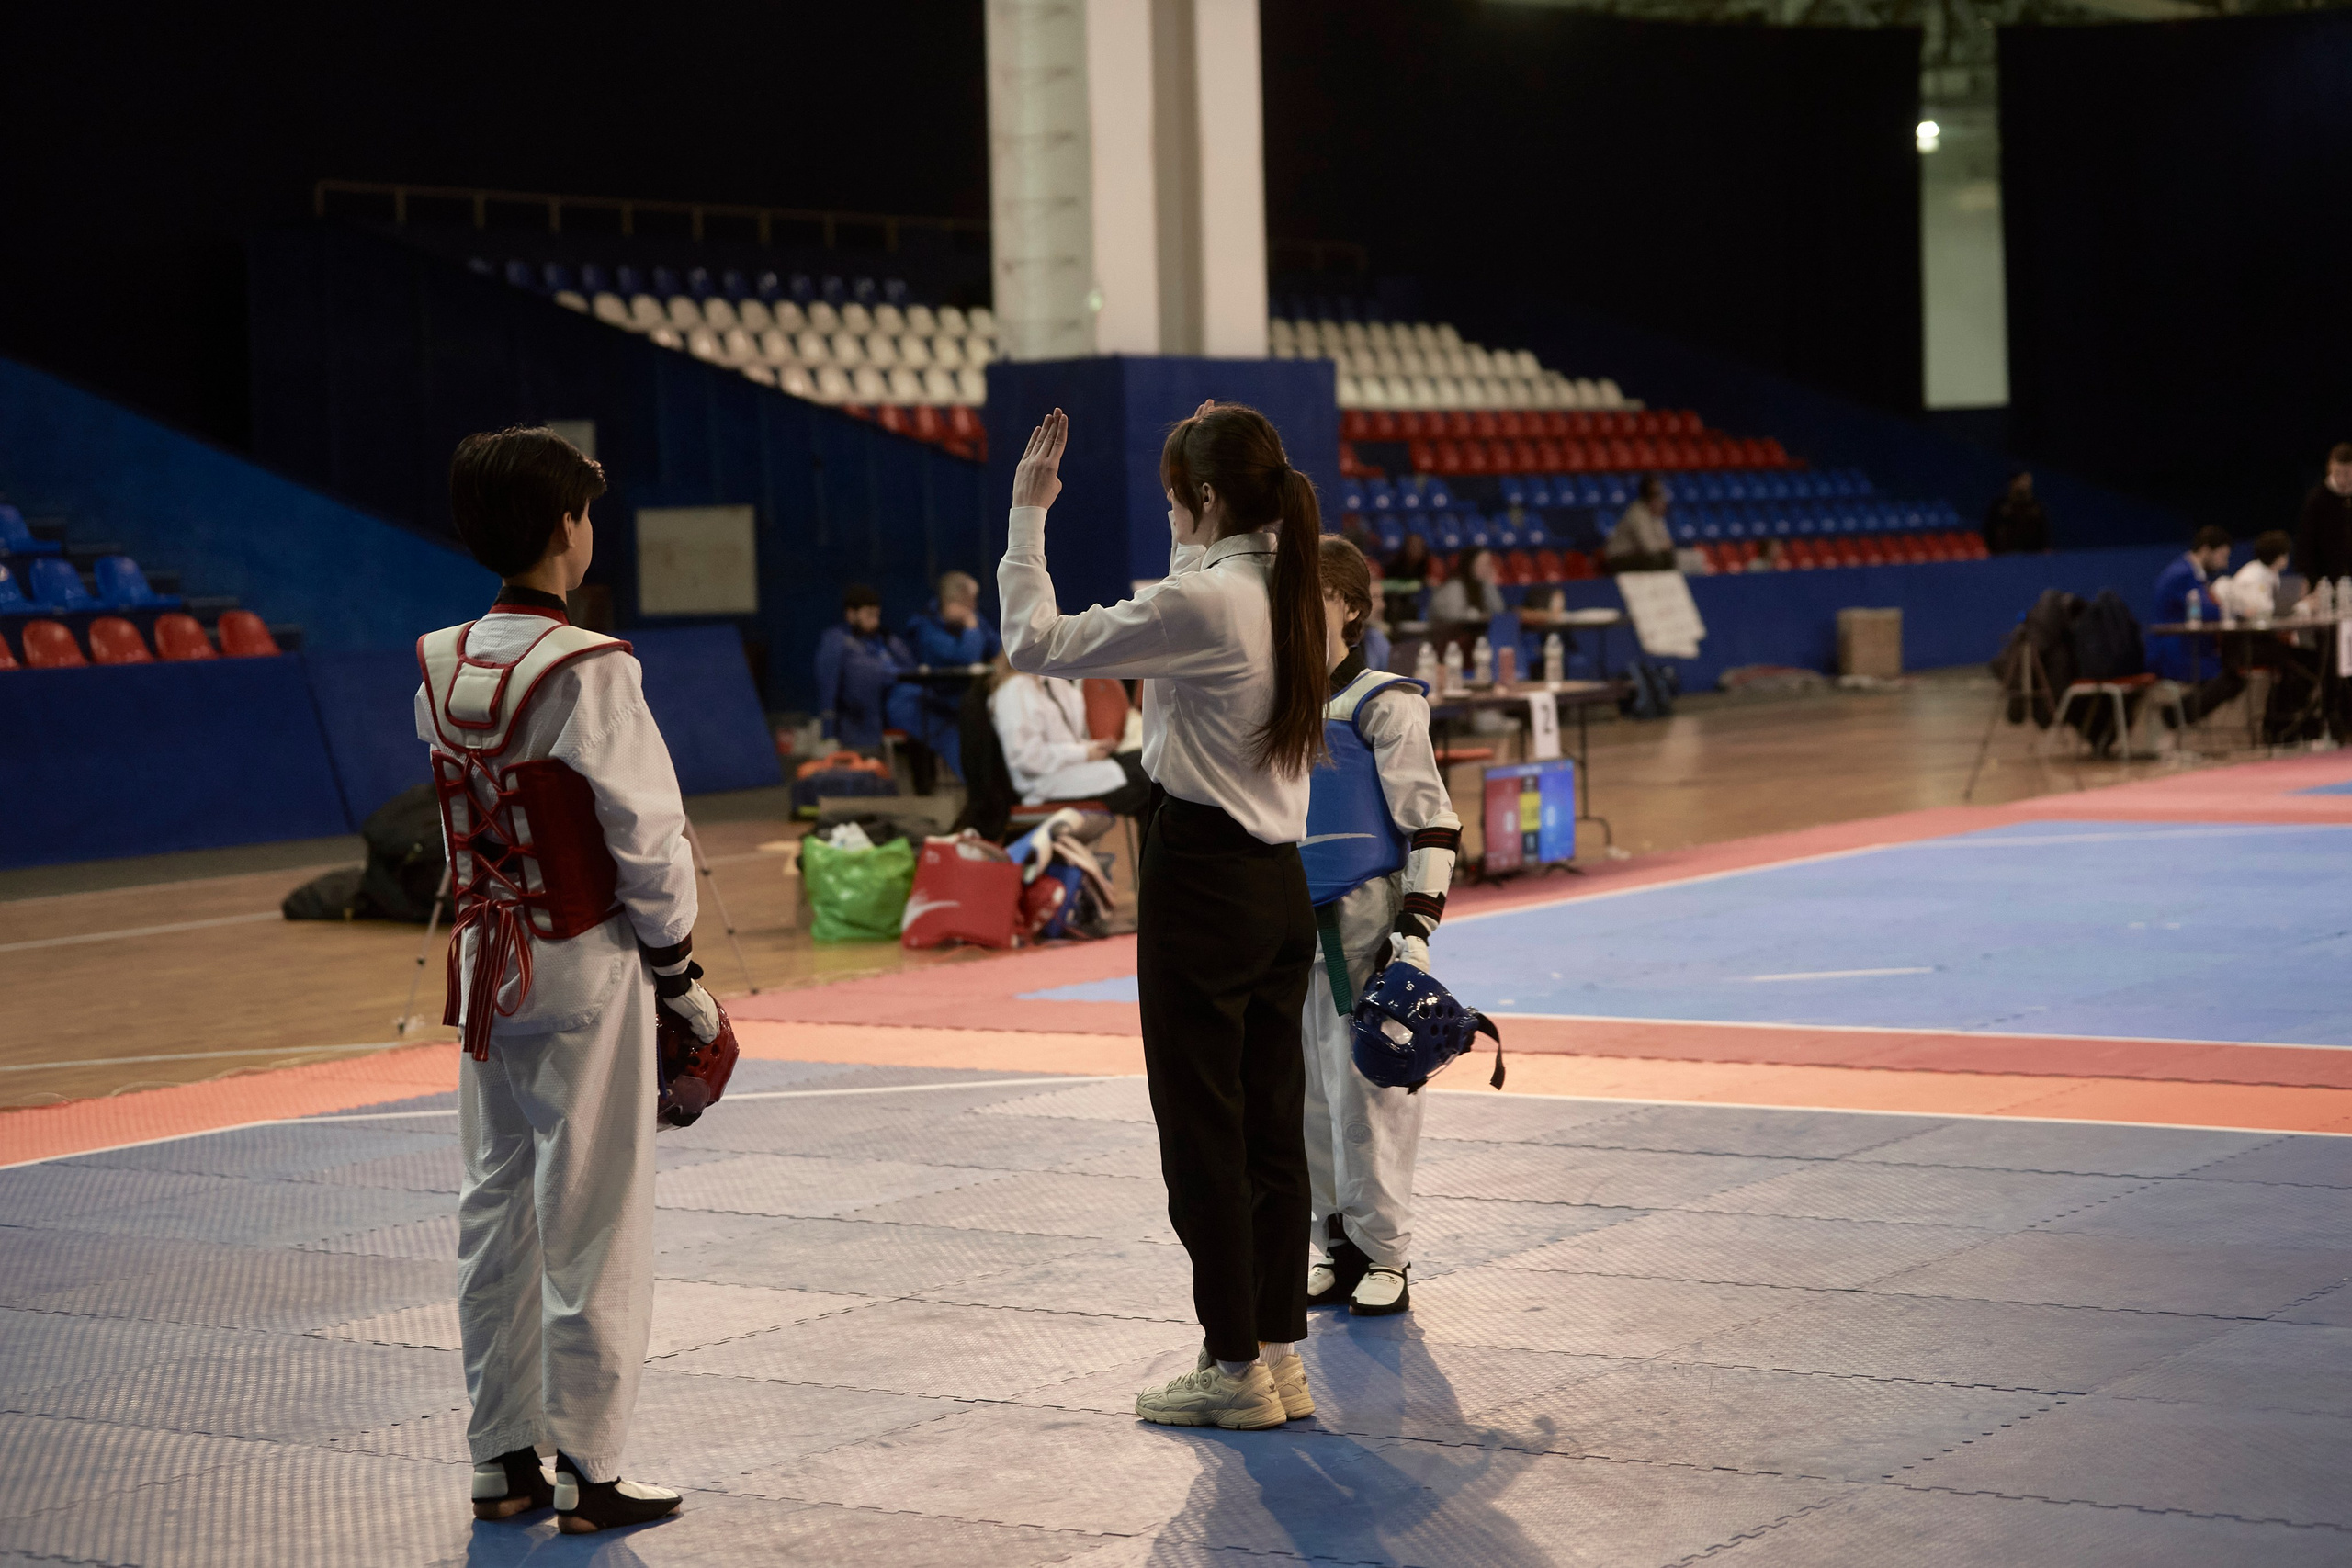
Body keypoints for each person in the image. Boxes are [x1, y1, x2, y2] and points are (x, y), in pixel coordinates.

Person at [1001, 400, 1323, 1432]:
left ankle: (1232, 1368)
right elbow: (1194, 572)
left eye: (1175, 499)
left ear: (1208, 501)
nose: (1169, 515)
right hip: (1280, 886)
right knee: (1272, 1132)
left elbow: (1032, 640)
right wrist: (1199, 478)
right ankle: (1275, 1356)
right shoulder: (1292, 588)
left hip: (1204, 884)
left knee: (1202, 1138)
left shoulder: (1202, 605)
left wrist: (1025, 515)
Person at [418, 427, 712, 1534]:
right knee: (592, 1218)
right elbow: (647, 834)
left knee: (495, 1206)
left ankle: (502, 1459)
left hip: (487, 963)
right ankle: (592, 1469)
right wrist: (679, 969)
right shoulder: (592, 670)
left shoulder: (438, 661)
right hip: (584, 961)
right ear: (563, 531)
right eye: (584, 516)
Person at [1298, 536, 1460, 1320]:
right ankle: (1333, 1242)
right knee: (1305, 1097)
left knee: (1369, 1088)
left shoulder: (1385, 702)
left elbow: (1432, 820)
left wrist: (1416, 931)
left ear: (1351, 608)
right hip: (1286, 920)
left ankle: (1387, 1252)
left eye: (1313, 593)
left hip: (1363, 919)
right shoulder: (1273, 701)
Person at [988, 656, 1152, 817]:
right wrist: (1083, 753)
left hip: (1071, 767)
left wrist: (1091, 747)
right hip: (1043, 784)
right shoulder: (1014, 689)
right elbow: (1028, 758)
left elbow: (1068, 736)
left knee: (1147, 762)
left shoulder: (1052, 680)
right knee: (1146, 780)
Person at [893, 570, 1001, 784]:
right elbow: (966, 657)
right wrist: (971, 630)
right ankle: (975, 788)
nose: (974, 608)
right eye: (969, 603)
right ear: (951, 601)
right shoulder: (924, 627)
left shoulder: (973, 619)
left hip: (970, 703)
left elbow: (999, 648)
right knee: (959, 741)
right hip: (936, 707)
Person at [2148, 526, 2241, 722]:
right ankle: (2172, 718)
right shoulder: (2183, 574)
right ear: (2206, 549)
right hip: (2176, 654)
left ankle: (2175, 718)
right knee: (2232, 678)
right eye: (2222, 556)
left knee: (2234, 673)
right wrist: (2232, 606)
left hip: (2189, 649)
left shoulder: (2190, 573)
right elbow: (2208, 612)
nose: (2224, 564)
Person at [813, 584, 911, 751]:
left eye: (877, 615)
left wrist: (892, 643)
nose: (875, 621)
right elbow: (827, 687)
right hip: (855, 732)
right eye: (869, 615)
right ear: (851, 614)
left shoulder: (885, 641)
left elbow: (911, 671)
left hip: (894, 723)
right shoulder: (836, 641)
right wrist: (828, 734)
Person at [1426, 545, 1507, 660]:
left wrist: (1490, 584)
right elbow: (1455, 616)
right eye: (1483, 564)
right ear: (1470, 565)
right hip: (1448, 644)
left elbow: (1499, 611)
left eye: (1489, 564)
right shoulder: (1454, 586)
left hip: (1473, 643)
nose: (1487, 568)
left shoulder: (1483, 586)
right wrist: (1480, 615)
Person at [2293, 443, 2352, 591]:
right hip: (2324, 579)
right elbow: (2305, 542)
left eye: (2348, 474)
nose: (2343, 480)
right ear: (2330, 467)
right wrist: (2310, 579)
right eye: (2338, 473)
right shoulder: (2317, 498)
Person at [1603, 476, 1675, 572]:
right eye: (1656, 494)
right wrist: (1663, 546)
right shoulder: (1636, 513)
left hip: (1639, 556)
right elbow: (1649, 547)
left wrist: (1664, 545)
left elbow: (1666, 542)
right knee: (1655, 559)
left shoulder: (1655, 513)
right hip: (1619, 558)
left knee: (1668, 558)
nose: (1660, 497)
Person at [2218, 531, 2293, 620]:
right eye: (2285, 554)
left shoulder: (2272, 574)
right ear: (2279, 557)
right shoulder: (2251, 577)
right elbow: (2258, 612)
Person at [1984, 471, 2052, 554]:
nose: (2026, 484)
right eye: (2022, 480)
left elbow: (2045, 534)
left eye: (2028, 480)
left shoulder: (2037, 507)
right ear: (2013, 482)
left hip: (2031, 558)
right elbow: (1989, 531)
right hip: (2002, 557)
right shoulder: (1999, 505)